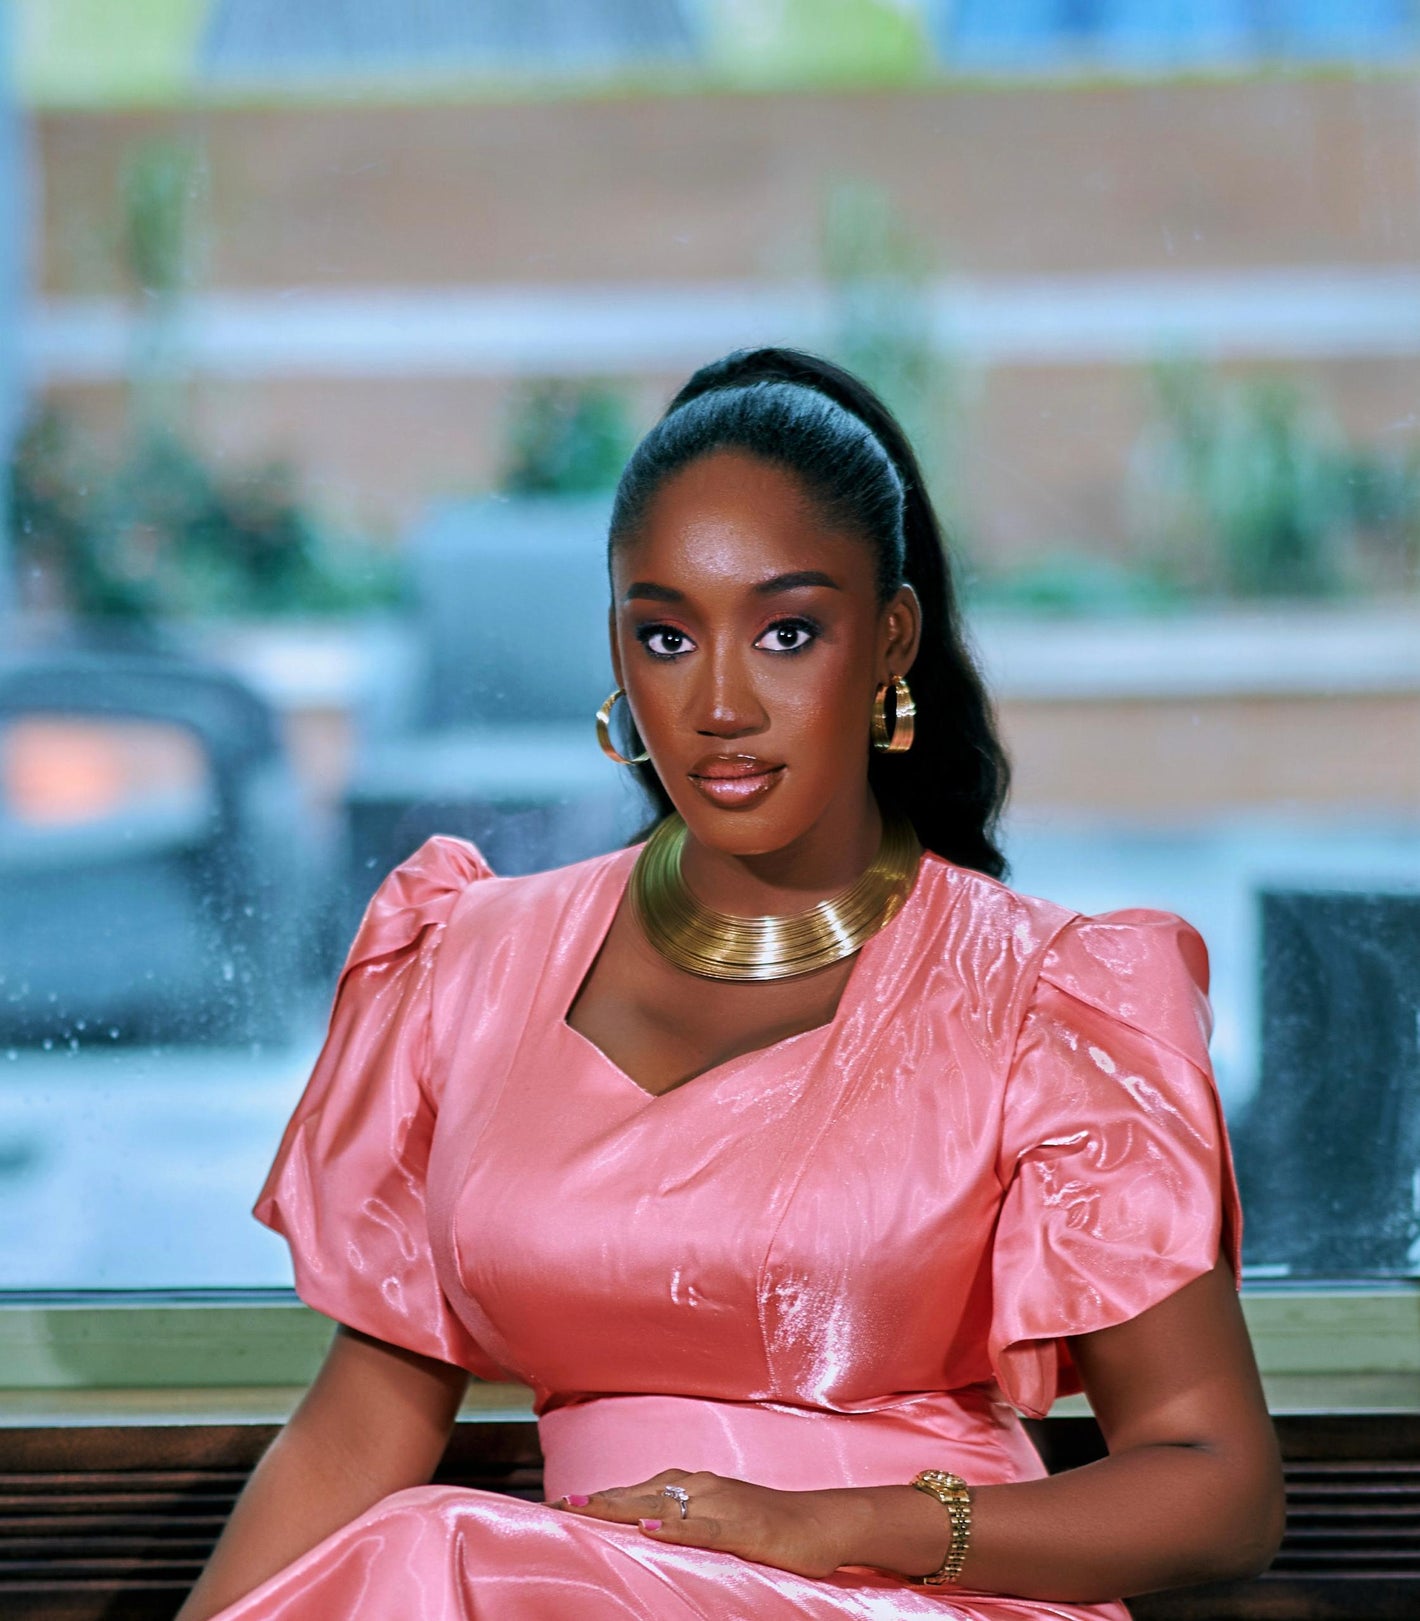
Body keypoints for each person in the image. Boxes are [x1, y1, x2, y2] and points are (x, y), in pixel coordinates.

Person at [178, 347, 1285, 1621]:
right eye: (665, 635)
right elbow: (356, 1431)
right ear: (617, 648)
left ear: (891, 640)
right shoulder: (465, 963)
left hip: (907, 1601)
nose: (717, 704)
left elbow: (1219, 1485)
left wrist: (826, 1528)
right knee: (432, 1550)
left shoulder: (1047, 999)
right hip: (578, 1599)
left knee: (444, 1549)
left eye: (785, 633)